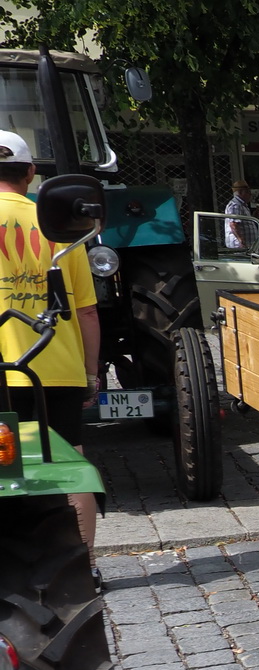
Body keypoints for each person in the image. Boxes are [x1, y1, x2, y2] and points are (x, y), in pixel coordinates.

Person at [0, 130, 101, 568]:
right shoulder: (59, 223)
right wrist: (92, 373)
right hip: (56, 369)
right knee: (68, 467)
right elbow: (87, 312)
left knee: (6, 468)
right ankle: (81, 566)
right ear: (31, 172)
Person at [223, 180, 259, 250]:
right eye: (248, 192)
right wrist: (241, 240)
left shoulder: (243, 205)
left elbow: (244, 223)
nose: (250, 195)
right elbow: (233, 224)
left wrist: (254, 217)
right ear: (241, 192)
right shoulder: (235, 205)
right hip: (239, 246)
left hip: (247, 245)